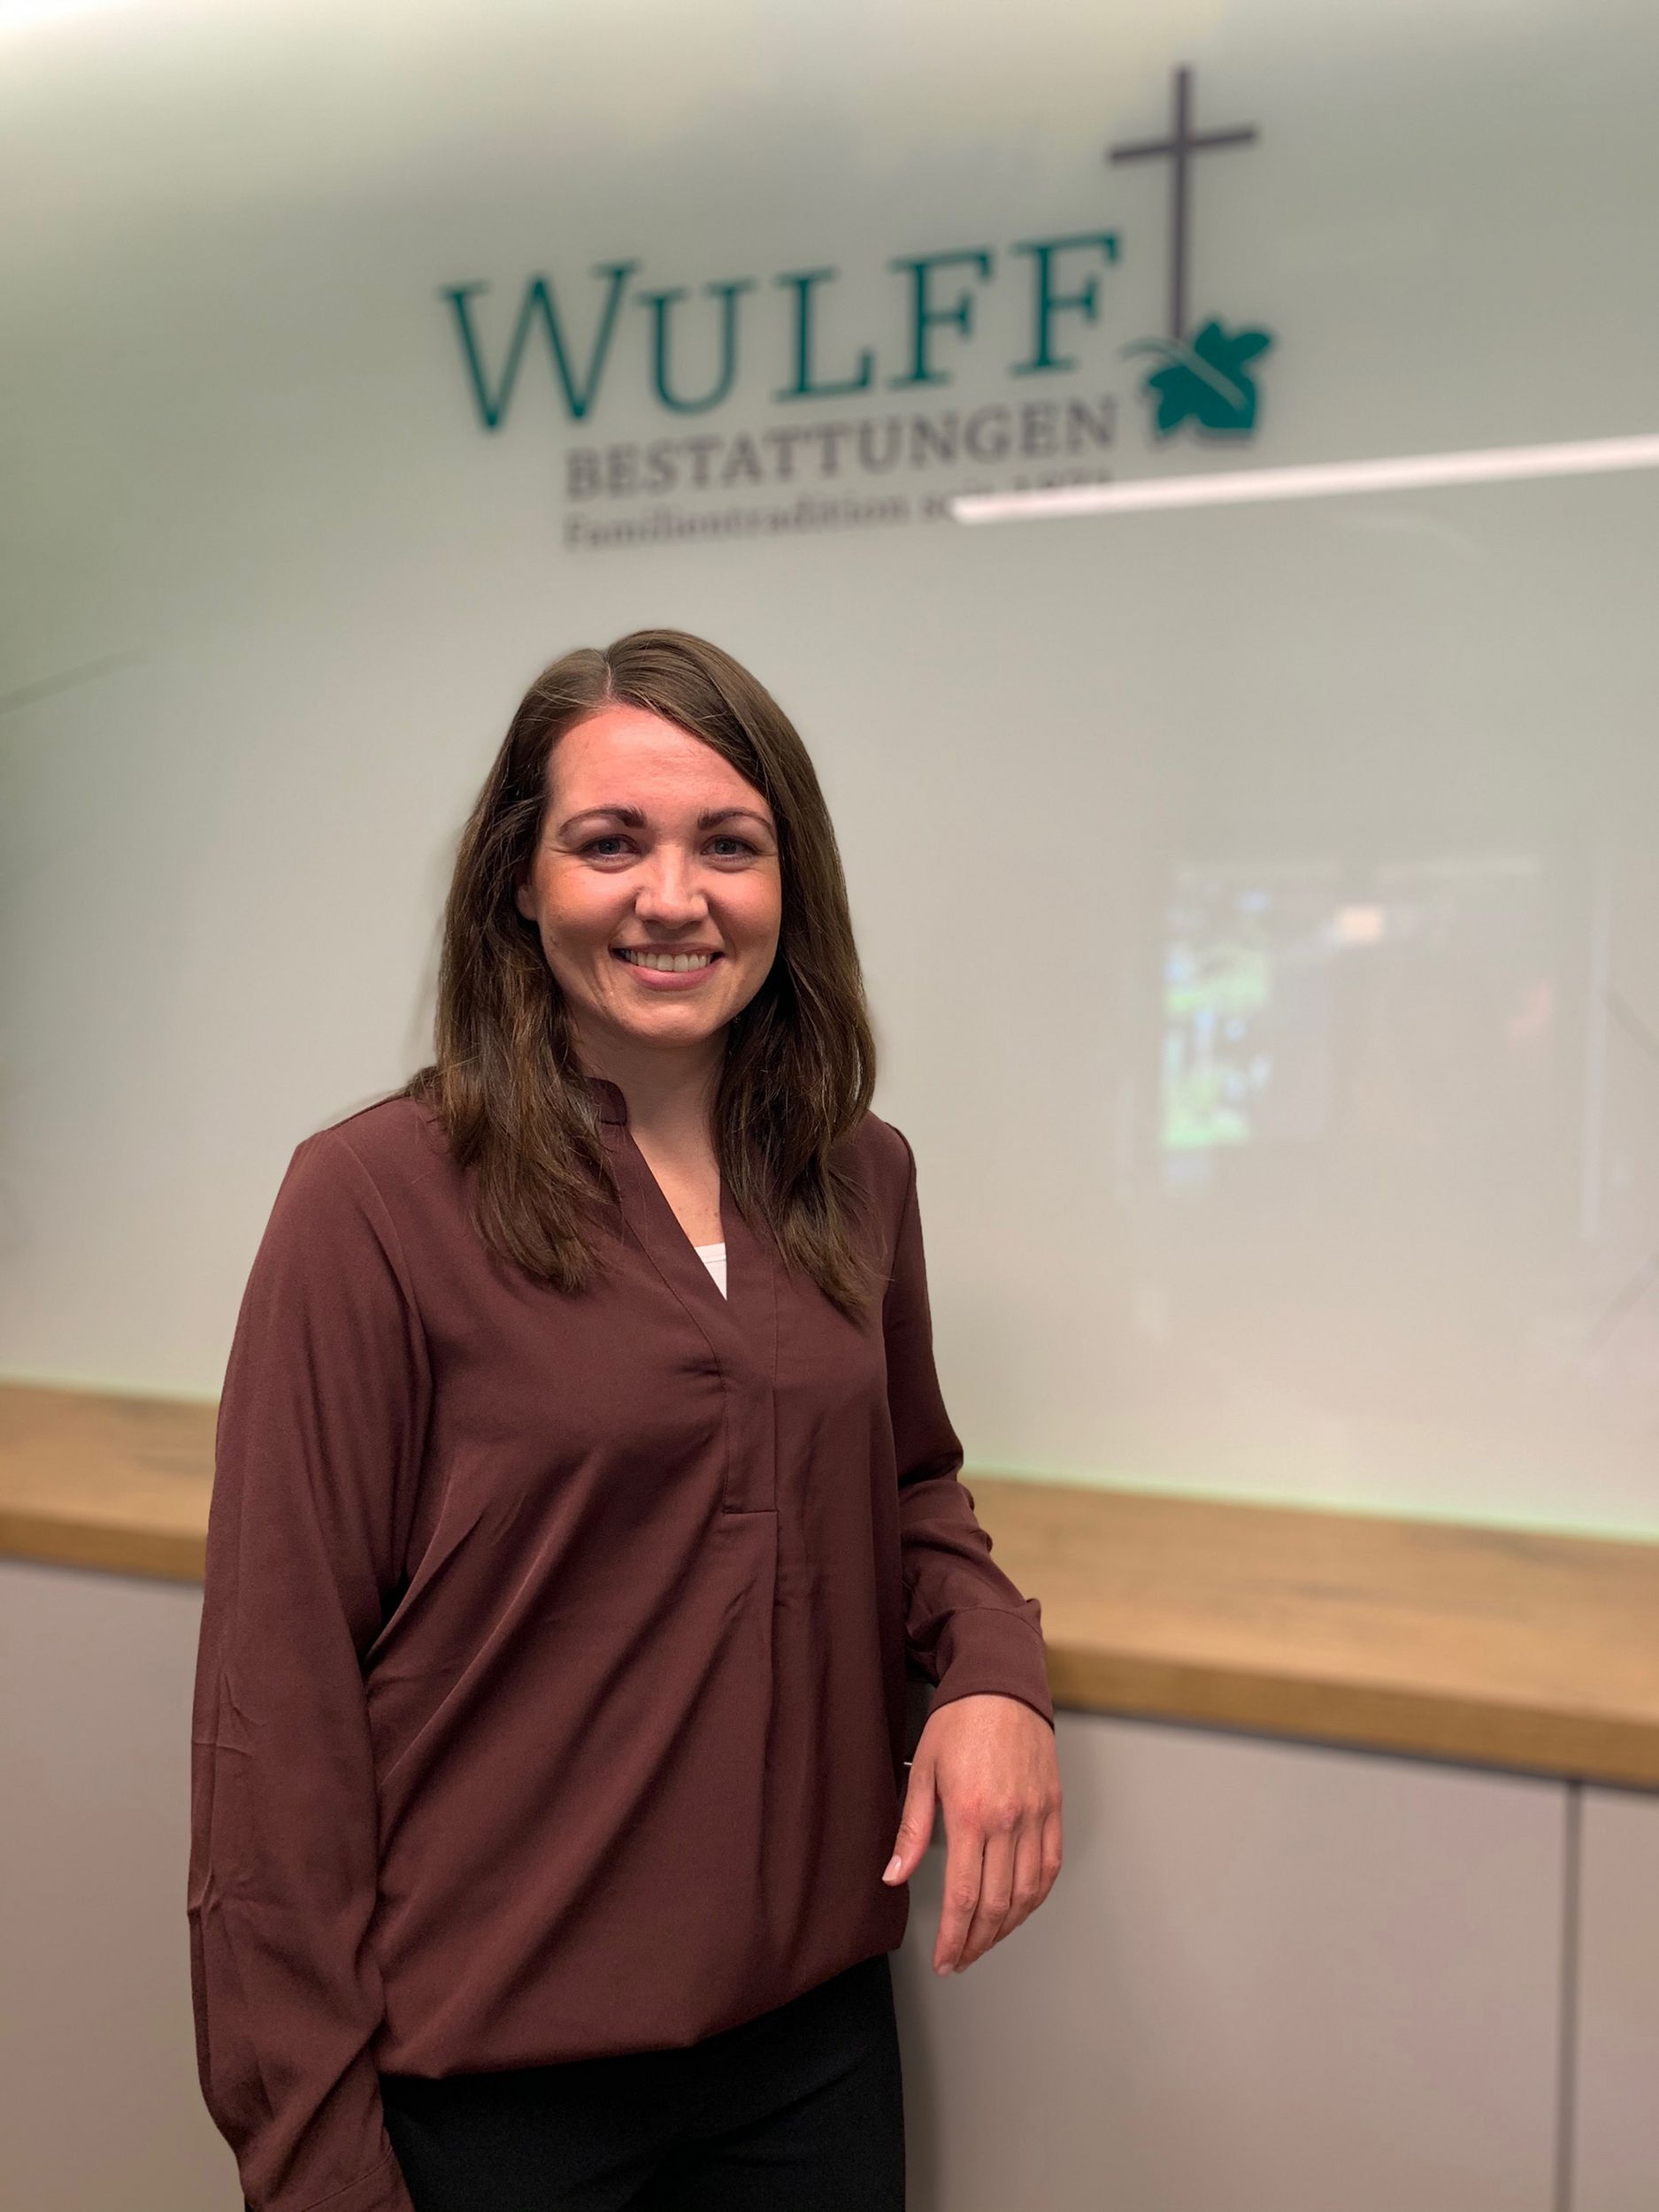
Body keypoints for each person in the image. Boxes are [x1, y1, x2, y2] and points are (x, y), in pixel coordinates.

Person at [188, 628, 1063, 2212]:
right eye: (610, 844)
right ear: (519, 886)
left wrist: (995, 1671)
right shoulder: (371, 1200)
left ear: (791, 885)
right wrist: (310, 2158)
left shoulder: (859, 1174)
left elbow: (910, 1488)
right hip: (494, 2086)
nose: (675, 897)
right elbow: (276, 1705)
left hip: (812, 2051)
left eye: (729, 844)